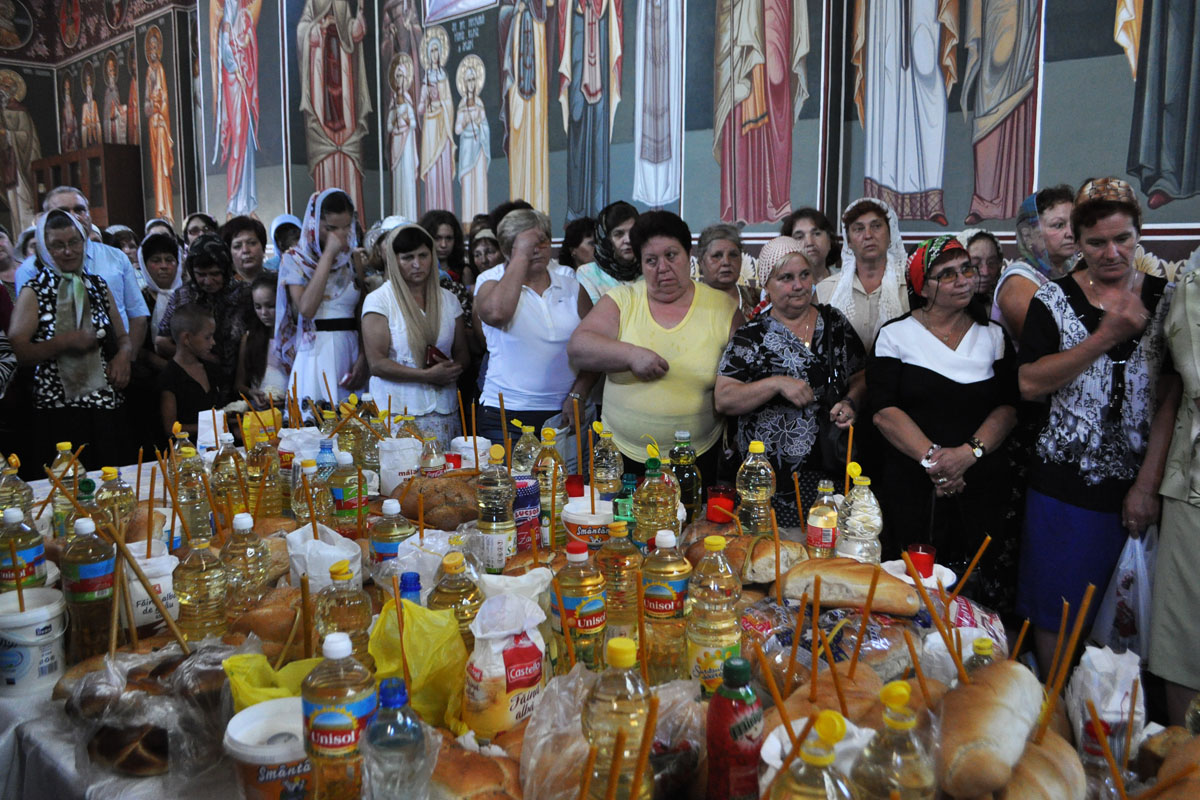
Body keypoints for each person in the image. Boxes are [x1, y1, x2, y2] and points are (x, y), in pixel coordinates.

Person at [1015, 178, 1176, 680]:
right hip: (1065, 486)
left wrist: (1147, 485)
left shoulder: (1166, 300)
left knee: (1132, 622)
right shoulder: (1054, 301)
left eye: (1123, 239)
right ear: (1077, 244)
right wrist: (1105, 336)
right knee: (1056, 611)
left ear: (1138, 235)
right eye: (1096, 242)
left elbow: (1172, 395)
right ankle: (1057, 714)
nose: (1112, 252)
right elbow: (1028, 383)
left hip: (1139, 485)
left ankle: (1110, 729)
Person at [870, 235, 1018, 612]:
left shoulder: (994, 337)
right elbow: (884, 411)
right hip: (913, 488)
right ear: (923, 286)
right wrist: (937, 462)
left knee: (972, 598)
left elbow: (1007, 408)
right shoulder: (895, 335)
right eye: (947, 274)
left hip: (979, 485)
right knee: (909, 596)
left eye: (967, 269)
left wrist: (968, 455)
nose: (963, 279)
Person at [568, 211, 741, 476]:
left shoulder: (724, 308)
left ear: (688, 255)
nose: (662, 268)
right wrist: (630, 356)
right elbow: (579, 347)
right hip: (623, 455)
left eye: (671, 256)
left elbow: (740, 379)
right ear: (640, 263)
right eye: (651, 260)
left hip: (697, 457)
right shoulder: (622, 300)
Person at [716, 236, 865, 522]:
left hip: (829, 474)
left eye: (804, 275)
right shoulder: (752, 336)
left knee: (824, 547)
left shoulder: (834, 324)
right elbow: (724, 399)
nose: (798, 285)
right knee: (770, 552)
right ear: (767, 286)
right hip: (767, 479)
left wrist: (850, 400)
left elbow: (861, 375)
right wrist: (776, 383)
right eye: (786, 278)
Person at [8, 210, 132, 468]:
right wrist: (62, 343)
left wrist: (123, 357)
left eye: (74, 242)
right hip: (57, 407)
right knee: (67, 488)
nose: (68, 251)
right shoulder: (35, 291)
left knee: (108, 481)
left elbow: (122, 336)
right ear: (44, 249)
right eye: (58, 245)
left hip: (103, 402)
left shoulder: (97, 286)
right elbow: (17, 350)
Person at [475, 209, 594, 442]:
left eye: (542, 242)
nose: (537, 250)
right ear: (509, 249)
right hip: (505, 415)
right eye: (529, 245)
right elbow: (497, 313)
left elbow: (595, 347)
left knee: (568, 480)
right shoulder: (490, 282)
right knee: (513, 480)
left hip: (566, 413)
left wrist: (579, 394)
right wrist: (521, 256)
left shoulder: (571, 286)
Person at [362, 223, 468, 448]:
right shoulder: (379, 300)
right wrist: (428, 376)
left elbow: (462, 354)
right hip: (398, 411)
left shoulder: (449, 300)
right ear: (393, 260)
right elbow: (377, 364)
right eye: (408, 257)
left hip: (444, 408)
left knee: (443, 479)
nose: (417, 264)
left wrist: (452, 369)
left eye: (423, 255)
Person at [14, 187, 149, 362]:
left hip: (114, 366)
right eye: (63, 212)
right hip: (57, 371)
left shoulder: (113, 261)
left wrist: (126, 361)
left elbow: (137, 316)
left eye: (79, 210)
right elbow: (22, 343)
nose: (74, 217)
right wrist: (63, 343)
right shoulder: (30, 271)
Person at [1150, 249, 1200, 725]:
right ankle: (1185, 766)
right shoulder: (1195, 284)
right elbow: (1194, 379)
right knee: (1185, 638)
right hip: (1195, 486)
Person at [275, 189, 367, 406]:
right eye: (331, 228)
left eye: (346, 227)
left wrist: (364, 357)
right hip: (317, 350)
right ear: (315, 225)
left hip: (350, 345)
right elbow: (306, 308)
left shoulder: (353, 259)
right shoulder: (295, 259)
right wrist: (328, 255)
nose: (340, 235)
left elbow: (362, 311)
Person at [155, 233, 248, 401]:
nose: (208, 281)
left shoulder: (244, 295)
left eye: (215, 273)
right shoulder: (183, 296)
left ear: (226, 269)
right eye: (201, 274)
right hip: (198, 386)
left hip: (241, 381)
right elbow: (162, 342)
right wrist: (201, 355)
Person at [815, 198, 910, 350]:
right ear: (849, 242)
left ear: (890, 234)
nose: (868, 235)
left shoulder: (910, 286)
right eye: (859, 229)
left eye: (876, 226)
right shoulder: (825, 290)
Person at [993, 186, 1076, 339]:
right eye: (1058, 225)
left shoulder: (1069, 271)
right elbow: (1044, 343)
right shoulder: (1018, 282)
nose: (1070, 233)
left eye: (1074, 224)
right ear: (1028, 235)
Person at [159, 303, 223, 439]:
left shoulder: (211, 368)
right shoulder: (170, 376)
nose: (213, 342)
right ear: (186, 338)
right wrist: (210, 426)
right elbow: (171, 428)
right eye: (207, 337)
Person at [236, 272, 287, 409]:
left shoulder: (295, 338)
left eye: (270, 306)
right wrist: (252, 393)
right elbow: (240, 384)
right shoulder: (249, 338)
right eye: (258, 307)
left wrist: (290, 398)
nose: (264, 313)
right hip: (261, 413)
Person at [575, 201, 640, 303]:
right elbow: (595, 316)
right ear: (605, 239)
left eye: (634, 232)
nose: (628, 240)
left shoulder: (649, 269)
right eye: (619, 234)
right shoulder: (588, 273)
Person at [695, 224, 760, 320]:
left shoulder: (760, 299)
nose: (726, 262)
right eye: (717, 256)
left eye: (733, 255)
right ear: (701, 262)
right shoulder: (688, 302)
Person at [781, 208, 839, 283]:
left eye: (816, 234)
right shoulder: (779, 287)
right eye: (799, 237)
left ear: (829, 240)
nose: (809, 242)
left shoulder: (846, 281)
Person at [420, 210, 467, 284]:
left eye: (449, 238)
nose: (443, 245)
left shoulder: (465, 272)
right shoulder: (417, 270)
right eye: (437, 238)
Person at [220, 215, 267, 284]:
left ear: (263, 246)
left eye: (252, 243)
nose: (245, 250)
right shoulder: (223, 286)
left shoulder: (279, 282)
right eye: (237, 246)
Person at [964, 229, 1004, 305]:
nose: (985, 272)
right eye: (975, 264)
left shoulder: (1004, 304)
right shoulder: (942, 309)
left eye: (991, 263)